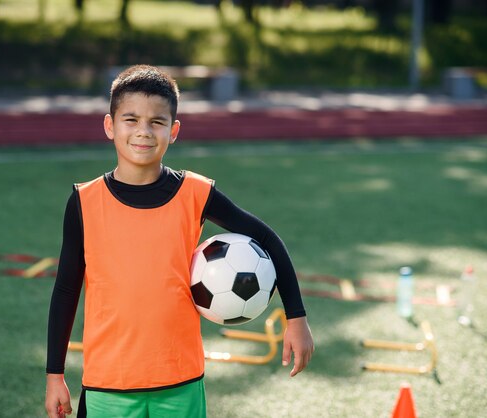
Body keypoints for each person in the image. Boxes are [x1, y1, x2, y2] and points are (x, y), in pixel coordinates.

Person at [45, 64, 314, 418]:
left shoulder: (195, 193)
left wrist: (296, 317)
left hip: (180, 380)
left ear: (173, 131)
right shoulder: (84, 201)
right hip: (108, 384)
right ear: (110, 126)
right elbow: (66, 289)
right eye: (131, 119)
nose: (143, 131)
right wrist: (55, 375)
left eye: (157, 122)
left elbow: (266, 238)